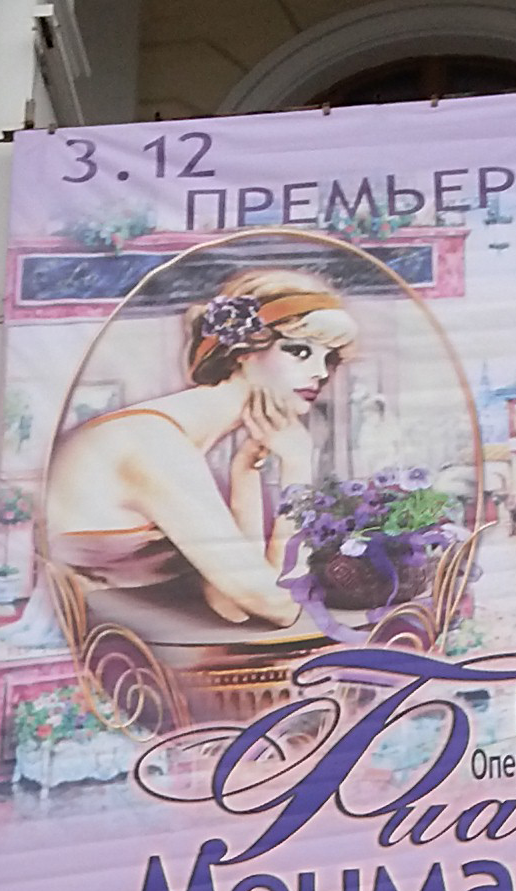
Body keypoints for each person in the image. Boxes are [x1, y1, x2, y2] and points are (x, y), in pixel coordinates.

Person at [42, 268, 356, 629]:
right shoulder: (152, 445)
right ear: (243, 351)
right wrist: (298, 468)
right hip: (102, 642)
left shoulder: (179, 436)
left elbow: (234, 606)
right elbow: (281, 607)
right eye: (300, 352)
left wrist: (244, 477)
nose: (321, 373)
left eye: (329, 358)